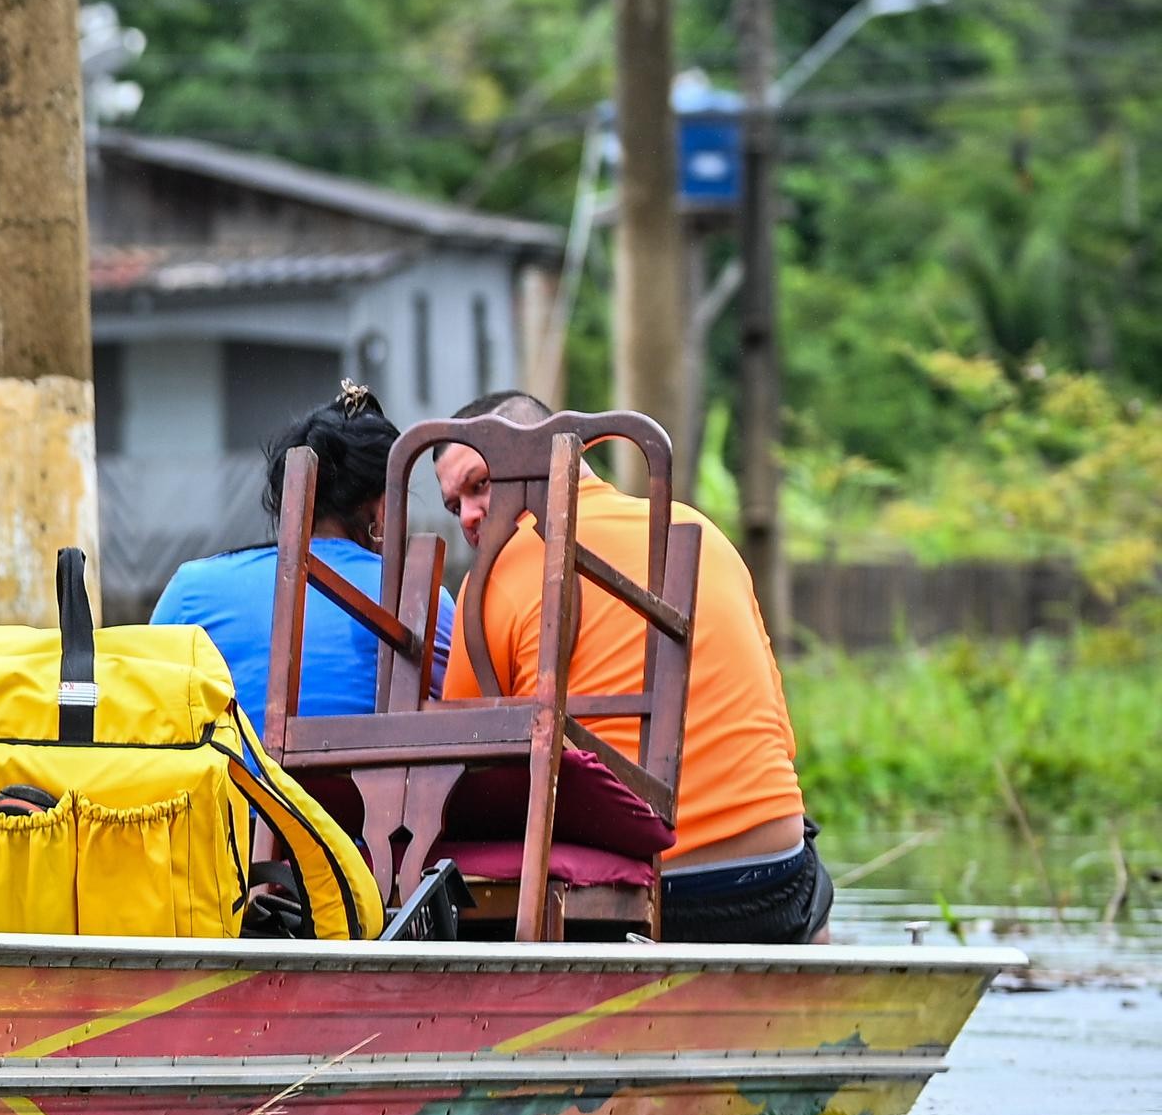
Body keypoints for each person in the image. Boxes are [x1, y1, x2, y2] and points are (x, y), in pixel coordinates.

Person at [432, 389, 831, 942]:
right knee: (815, 873)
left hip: (629, 895)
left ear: (545, 455)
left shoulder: (495, 575)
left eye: (479, 486)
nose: (470, 516)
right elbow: (781, 739)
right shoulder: (700, 532)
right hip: (772, 882)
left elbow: (462, 766)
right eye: (455, 506)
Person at [150, 382, 449, 725]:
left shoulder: (192, 589)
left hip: (229, 779)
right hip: (367, 781)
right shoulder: (422, 599)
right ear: (383, 508)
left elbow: (148, 719)